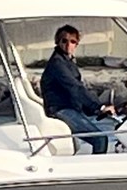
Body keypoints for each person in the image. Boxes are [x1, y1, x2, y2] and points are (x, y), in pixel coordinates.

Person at [39, 25, 116, 154]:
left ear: (76, 44)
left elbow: (76, 91)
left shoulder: (67, 61)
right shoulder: (58, 64)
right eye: (64, 41)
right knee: (100, 139)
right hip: (60, 110)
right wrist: (100, 106)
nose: (68, 45)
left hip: (69, 107)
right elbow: (74, 87)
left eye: (72, 41)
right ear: (57, 42)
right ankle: (97, 167)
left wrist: (93, 109)